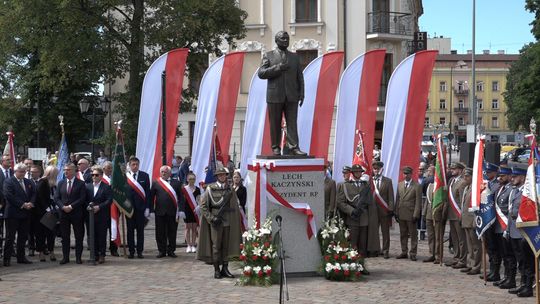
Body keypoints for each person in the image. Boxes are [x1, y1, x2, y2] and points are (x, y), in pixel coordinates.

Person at [258, 31, 306, 156]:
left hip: (292, 95)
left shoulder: (294, 57)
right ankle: (276, 147)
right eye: (283, 38)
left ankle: (293, 147)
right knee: (275, 122)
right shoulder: (268, 56)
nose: (286, 40)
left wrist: (302, 93)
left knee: (292, 122)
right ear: (276, 41)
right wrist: (277, 68)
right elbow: (261, 73)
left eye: (287, 38)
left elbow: (300, 76)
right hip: (274, 95)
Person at [198, 167, 242, 279]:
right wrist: (211, 218)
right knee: (216, 246)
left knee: (226, 246)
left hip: (227, 221)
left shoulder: (230, 189)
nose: (223, 176)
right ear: (217, 176)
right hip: (215, 222)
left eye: (224, 175)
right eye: (220, 175)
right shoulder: (210, 189)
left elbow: (234, 206)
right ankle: (217, 269)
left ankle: (225, 269)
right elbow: (203, 206)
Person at [337, 164, 374, 258]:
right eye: (356, 172)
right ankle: (353, 265)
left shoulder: (365, 185)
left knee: (363, 244)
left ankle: (362, 265)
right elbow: (340, 202)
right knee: (352, 243)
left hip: (363, 217)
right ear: (352, 173)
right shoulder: (345, 185)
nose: (358, 173)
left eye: (360, 172)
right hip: (352, 217)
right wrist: (351, 210)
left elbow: (370, 201)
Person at [3, 163, 35, 266]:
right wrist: (23, 204)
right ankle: (6, 259)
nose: (22, 173)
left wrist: (31, 203)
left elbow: (34, 193)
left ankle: (21, 257)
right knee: (10, 237)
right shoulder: (9, 182)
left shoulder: (28, 182)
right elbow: (9, 196)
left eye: (24, 172)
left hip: (25, 214)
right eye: (20, 172)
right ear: (15, 171)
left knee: (23, 237)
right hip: (13, 214)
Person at [55, 163, 87, 265]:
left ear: (74, 171)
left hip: (76, 213)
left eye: (68, 170)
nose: (66, 172)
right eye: (65, 170)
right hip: (64, 214)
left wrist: (71, 206)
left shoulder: (81, 183)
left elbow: (82, 198)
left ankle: (78, 257)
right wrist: (62, 207)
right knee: (65, 236)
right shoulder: (61, 183)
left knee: (78, 236)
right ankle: (65, 257)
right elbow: (56, 197)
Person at [150, 165, 184, 258]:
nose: (164, 173)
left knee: (172, 232)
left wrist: (181, 210)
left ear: (170, 173)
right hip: (159, 212)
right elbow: (151, 197)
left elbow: (181, 198)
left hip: (173, 212)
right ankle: (161, 250)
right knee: (160, 232)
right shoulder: (156, 183)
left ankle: (171, 250)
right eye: (162, 172)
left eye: (166, 172)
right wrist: (151, 210)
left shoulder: (176, 183)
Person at [492, 166, 514, 289]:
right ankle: (506, 277)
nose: (500, 178)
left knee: (509, 255)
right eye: (499, 176)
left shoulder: (511, 190)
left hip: (506, 225)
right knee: (503, 253)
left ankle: (511, 279)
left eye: (503, 176)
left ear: (509, 177)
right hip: (498, 226)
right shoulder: (499, 188)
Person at [86, 166, 113, 264]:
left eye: (96, 175)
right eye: (92, 175)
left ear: (101, 176)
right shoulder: (87, 186)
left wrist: (99, 207)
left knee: (101, 235)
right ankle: (94, 254)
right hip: (90, 216)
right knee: (92, 235)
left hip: (102, 215)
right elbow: (84, 199)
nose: (94, 177)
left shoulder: (106, 187)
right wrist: (89, 207)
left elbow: (109, 200)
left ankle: (102, 254)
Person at [395, 166, 422, 261]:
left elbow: (418, 202)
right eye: (404, 173)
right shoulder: (400, 185)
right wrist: (396, 212)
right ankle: (404, 251)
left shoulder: (417, 186)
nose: (406, 175)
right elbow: (397, 199)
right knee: (403, 234)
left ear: (411, 174)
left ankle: (413, 253)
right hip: (401, 212)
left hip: (411, 214)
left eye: (407, 174)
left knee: (413, 235)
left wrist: (416, 214)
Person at [126, 157, 151, 259]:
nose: (135, 166)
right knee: (130, 231)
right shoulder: (125, 177)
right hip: (129, 209)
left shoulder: (145, 176)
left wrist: (148, 208)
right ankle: (131, 251)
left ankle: (140, 251)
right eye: (133, 164)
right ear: (130, 165)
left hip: (141, 209)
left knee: (140, 231)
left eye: (137, 164)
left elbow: (148, 193)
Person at [444, 162, 468, 269]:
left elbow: (463, 200)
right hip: (451, 213)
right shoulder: (451, 181)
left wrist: (461, 214)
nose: (452, 170)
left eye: (455, 169)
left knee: (461, 238)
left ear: (460, 170)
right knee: (454, 238)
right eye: (452, 168)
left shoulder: (463, 182)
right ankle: (456, 257)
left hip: (458, 213)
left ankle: (462, 259)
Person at [481, 162, 502, 281]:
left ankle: (496, 272)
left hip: (494, 220)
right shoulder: (485, 183)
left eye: (489, 172)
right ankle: (492, 271)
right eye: (486, 172)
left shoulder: (497, 184)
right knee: (489, 247)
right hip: (486, 219)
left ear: (495, 173)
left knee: (495, 247)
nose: (487, 174)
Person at [33, 166, 59, 262]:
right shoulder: (42, 182)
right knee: (41, 234)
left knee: (50, 233)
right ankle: (41, 252)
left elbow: (53, 197)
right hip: (41, 213)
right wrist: (46, 208)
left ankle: (51, 250)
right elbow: (39, 197)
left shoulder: (52, 184)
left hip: (51, 211)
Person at [460, 168, 482, 275]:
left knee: (476, 245)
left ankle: (476, 266)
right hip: (466, 220)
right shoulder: (466, 188)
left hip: (472, 220)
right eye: (464, 176)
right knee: (469, 245)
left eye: (467, 176)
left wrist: (475, 221)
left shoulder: (475, 189)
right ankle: (471, 263)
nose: (465, 178)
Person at [372, 161, 394, 259]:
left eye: (378, 169)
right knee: (374, 232)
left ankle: (385, 250)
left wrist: (390, 209)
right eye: (375, 169)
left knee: (385, 232)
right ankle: (376, 249)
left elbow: (391, 197)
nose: (376, 170)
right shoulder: (370, 181)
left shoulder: (388, 181)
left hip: (384, 211)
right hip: (373, 212)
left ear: (382, 169)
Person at [181, 172, 201, 253]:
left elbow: (199, 199)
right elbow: (182, 200)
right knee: (187, 227)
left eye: (193, 179)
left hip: (195, 209)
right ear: (187, 179)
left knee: (194, 228)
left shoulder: (198, 189)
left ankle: (193, 244)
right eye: (190, 179)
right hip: (186, 210)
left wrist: (198, 207)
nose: (191, 180)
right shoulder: (184, 189)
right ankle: (188, 245)